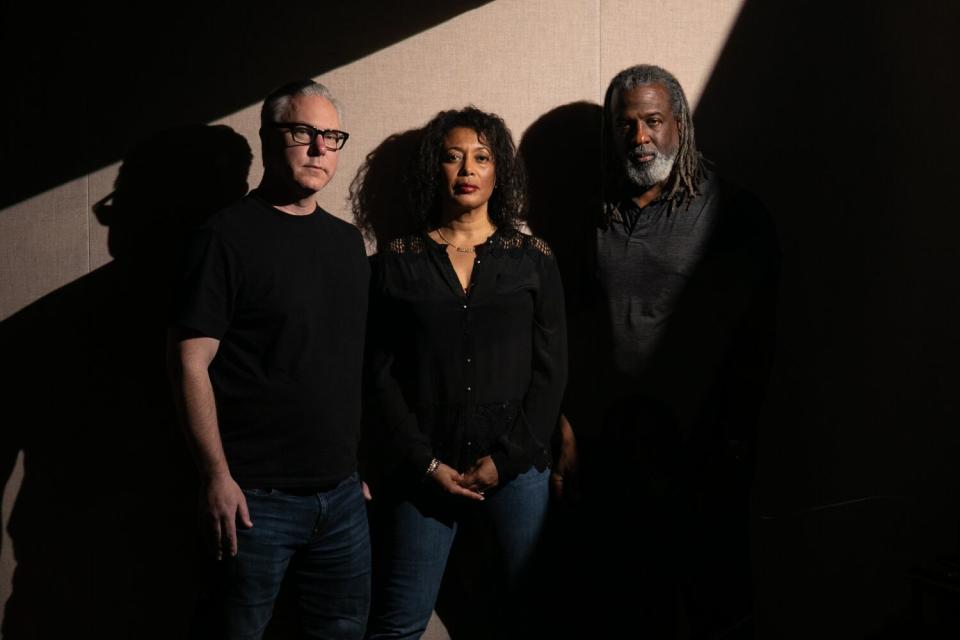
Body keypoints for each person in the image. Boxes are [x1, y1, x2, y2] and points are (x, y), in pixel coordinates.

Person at [556, 64, 780, 638]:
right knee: (632, 604)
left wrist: (734, 445)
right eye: (627, 125)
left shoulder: (732, 212)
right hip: (615, 450)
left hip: (701, 446)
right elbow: (571, 329)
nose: (640, 138)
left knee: (715, 602)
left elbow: (754, 342)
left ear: (679, 124)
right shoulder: (595, 216)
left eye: (653, 121)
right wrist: (569, 428)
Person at [168, 79, 371, 639]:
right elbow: (189, 362)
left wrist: (354, 469)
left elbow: (345, 364)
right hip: (254, 501)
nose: (319, 148)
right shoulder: (225, 237)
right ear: (267, 138)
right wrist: (216, 476)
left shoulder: (347, 243)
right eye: (304, 131)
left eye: (331, 135)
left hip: (342, 497)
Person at [361, 107, 567, 639]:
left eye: (481, 157)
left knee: (531, 617)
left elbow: (552, 372)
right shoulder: (395, 262)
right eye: (453, 158)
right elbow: (379, 376)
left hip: (517, 469)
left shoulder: (533, 258)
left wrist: (507, 460)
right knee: (398, 623)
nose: (467, 169)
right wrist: (423, 463)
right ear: (436, 169)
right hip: (425, 469)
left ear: (499, 171)